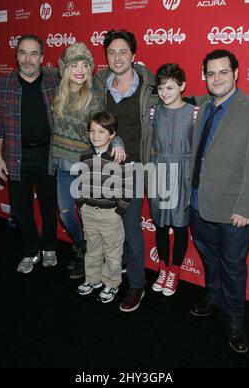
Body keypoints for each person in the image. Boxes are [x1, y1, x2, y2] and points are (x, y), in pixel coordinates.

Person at [188, 49, 249, 353]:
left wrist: (245, 208)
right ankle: (212, 299)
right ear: (205, 77)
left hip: (233, 212)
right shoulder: (202, 106)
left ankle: (235, 323)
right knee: (209, 258)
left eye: (224, 72)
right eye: (211, 73)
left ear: (236, 73)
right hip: (197, 204)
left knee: (233, 268)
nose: (217, 78)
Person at [94, 29, 158, 312]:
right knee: (108, 225)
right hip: (105, 168)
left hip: (133, 168)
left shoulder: (149, 86)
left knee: (131, 227)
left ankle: (136, 285)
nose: (117, 57)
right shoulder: (99, 86)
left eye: (123, 51)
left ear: (134, 55)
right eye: (112, 52)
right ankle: (113, 271)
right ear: (106, 57)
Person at [52, 43, 125, 280]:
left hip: (84, 167)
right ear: (65, 69)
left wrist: (118, 142)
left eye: (85, 65)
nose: (80, 70)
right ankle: (82, 247)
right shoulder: (57, 93)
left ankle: (90, 256)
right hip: (62, 164)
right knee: (65, 214)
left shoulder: (94, 98)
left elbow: (105, 126)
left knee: (88, 216)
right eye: (74, 65)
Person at [0, 34, 60, 273]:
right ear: (16, 55)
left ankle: (49, 245)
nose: (27, 59)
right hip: (16, 156)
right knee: (20, 208)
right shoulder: (3, 84)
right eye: (22, 53)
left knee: (50, 205)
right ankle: (31, 250)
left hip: (49, 155)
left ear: (42, 57)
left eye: (33, 53)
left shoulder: (54, 80)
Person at [75, 111, 133, 303]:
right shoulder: (84, 155)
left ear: (112, 134)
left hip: (110, 215)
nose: (95, 135)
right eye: (92, 131)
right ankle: (92, 279)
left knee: (112, 253)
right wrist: (81, 203)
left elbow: (129, 187)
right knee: (92, 249)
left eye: (101, 131)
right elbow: (81, 182)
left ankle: (111, 283)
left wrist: (119, 212)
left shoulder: (120, 158)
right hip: (89, 212)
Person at [149, 63, 196, 296]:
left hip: (183, 172)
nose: (165, 93)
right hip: (159, 170)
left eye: (170, 87)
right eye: (161, 88)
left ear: (182, 86)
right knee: (160, 224)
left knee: (179, 226)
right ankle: (163, 269)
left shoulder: (194, 112)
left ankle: (175, 271)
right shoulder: (153, 111)